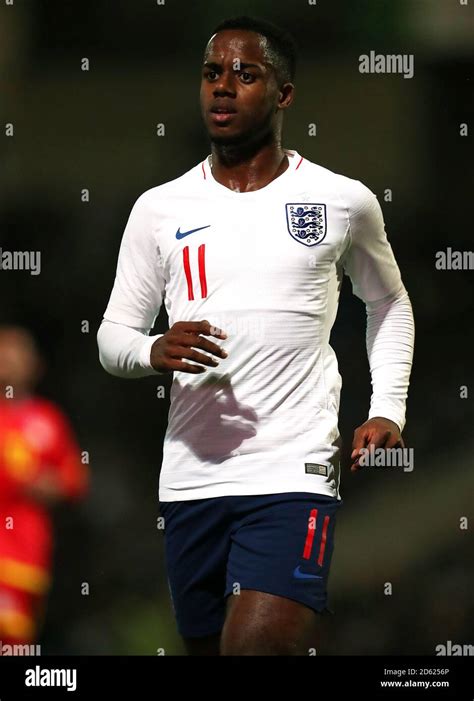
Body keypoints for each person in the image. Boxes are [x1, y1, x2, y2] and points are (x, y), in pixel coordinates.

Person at [97, 15, 414, 656]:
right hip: (191, 481)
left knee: (258, 649)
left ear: (284, 93)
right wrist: (151, 349)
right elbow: (112, 335)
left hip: (293, 472)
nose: (223, 87)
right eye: (213, 73)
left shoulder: (341, 200)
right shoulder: (160, 208)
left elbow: (389, 303)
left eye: (245, 74)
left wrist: (387, 409)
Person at [0, 327, 88, 648]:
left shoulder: (47, 419)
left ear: (34, 365)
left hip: (26, 552)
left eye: (16, 355)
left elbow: (74, 479)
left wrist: (46, 484)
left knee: (15, 642)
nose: (7, 363)